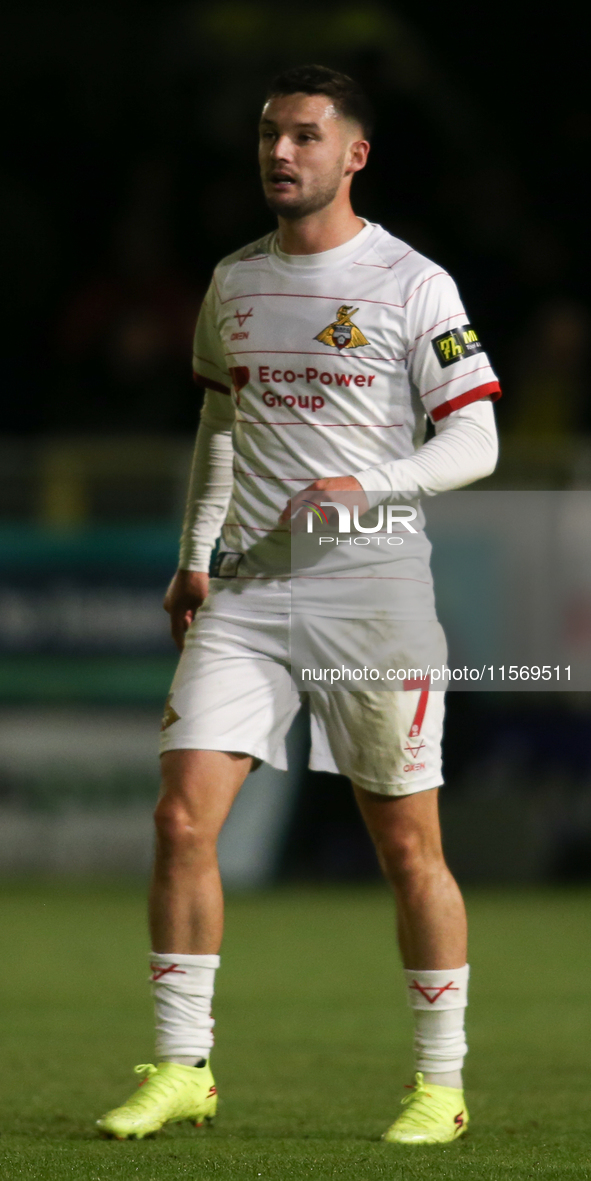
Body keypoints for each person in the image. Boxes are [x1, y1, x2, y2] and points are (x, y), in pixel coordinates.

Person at [97, 64, 500, 1145]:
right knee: (181, 818)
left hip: (372, 586)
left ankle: (440, 1084)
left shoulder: (414, 282)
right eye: (271, 136)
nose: (282, 153)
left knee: (409, 846)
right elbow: (221, 429)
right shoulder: (234, 283)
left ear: (353, 154)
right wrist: (194, 554)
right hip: (251, 589)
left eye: (306, 137)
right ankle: (183, 1065)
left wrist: (370, 485)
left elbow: (478, 437)